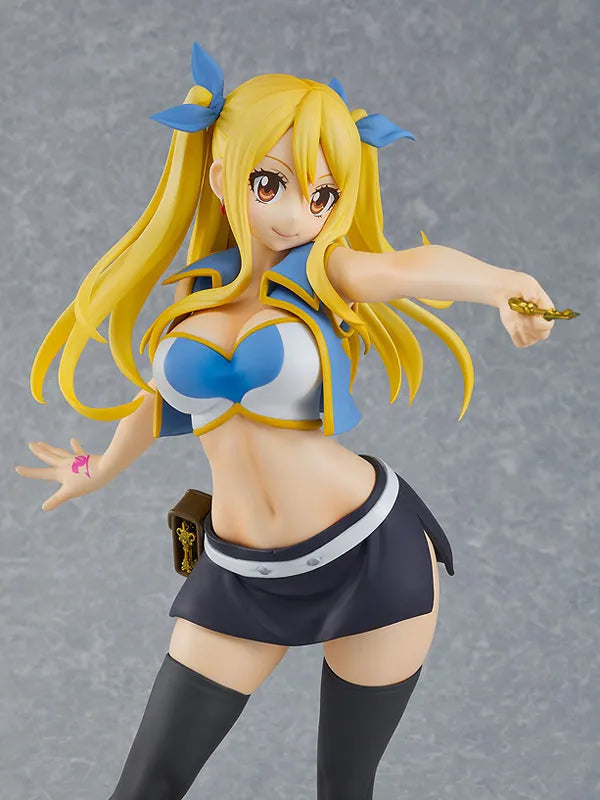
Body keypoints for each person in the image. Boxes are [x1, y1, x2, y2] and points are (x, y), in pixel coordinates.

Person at [15, 44, 555, 800]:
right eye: (269, 183)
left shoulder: (325, 272)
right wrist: (94, 468)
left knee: (344, 784)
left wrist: (507, 286)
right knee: (145, 785)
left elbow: (409, 268)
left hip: (369, 552)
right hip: (239, 574)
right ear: (222, 178)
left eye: (323, 195)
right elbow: (157, 403)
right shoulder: (197, 296)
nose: (298, 214)